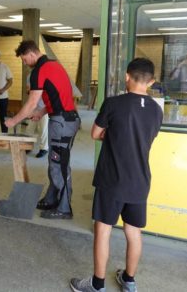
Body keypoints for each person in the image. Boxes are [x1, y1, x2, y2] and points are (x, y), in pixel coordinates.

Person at [70, 58, 163, 292]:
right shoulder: (156, 109)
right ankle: (129, 281)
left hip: (111, 180)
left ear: (126, 77)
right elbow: (145, 138)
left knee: (103, 230)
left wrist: (110, 136)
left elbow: (94, 133)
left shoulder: (113, 103)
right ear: (151, 81)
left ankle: (97, 284)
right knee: (134, 231)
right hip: (140, 181)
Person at [5, 40, 80, 220]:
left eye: (24, 59)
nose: (25, 63)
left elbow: (31, 101)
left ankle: (64, 208)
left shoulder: (39, 70)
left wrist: (13, 121)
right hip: (65, 118)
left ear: (31, 54)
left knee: (59, 164)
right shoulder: (55, 65)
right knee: (55, 161)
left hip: (62, 122)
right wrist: (41, 112)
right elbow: (59, 95)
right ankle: (52, 198)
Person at [25, 72, 48, 158]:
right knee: (29, 128)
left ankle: (44, 149)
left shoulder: (45, 75)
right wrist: (29, 91)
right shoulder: (30, 75)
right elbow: (28, 89)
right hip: (33, 107)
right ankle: (28, 146)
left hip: (44, 107)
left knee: (43, 129)